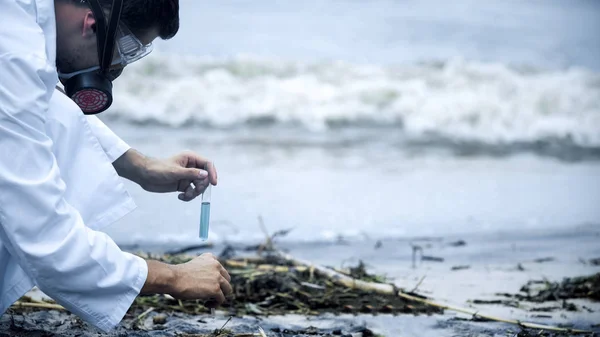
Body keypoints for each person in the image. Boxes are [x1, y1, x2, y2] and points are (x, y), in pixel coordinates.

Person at [0, 0, 232, 332]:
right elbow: (50, 244)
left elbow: (43, 108)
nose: (116, 69)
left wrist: (141, 167)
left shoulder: (20, 24)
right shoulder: (11, 57)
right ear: (91, 21)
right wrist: (176, 277)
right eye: (126, 49)